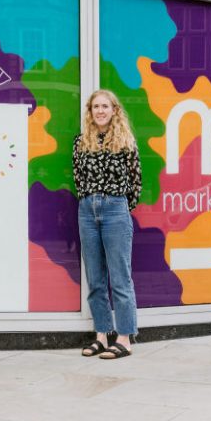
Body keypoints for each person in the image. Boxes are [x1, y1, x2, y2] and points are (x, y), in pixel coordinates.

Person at [73, 89, 142, 359]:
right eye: (95, 107)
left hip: (115, 209)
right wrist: (90, 200)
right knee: (96, 278)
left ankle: (124, 338)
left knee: (120, 279)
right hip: (87, 210)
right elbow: (78, 179)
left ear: (114, 110)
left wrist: (120, 205)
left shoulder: (125, 141)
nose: (100, 111)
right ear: (90, 112)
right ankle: (101, 334)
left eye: (105, 106)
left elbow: (136, 183)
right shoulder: (81, 142)